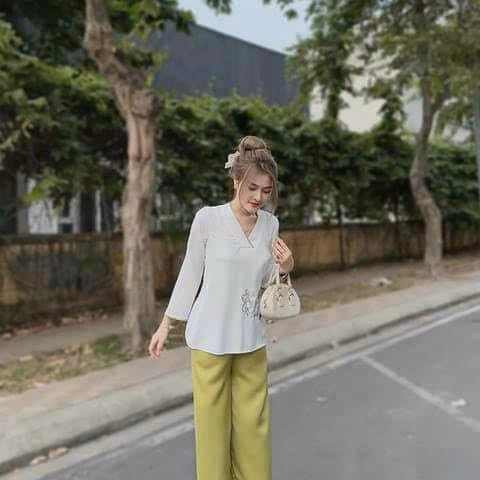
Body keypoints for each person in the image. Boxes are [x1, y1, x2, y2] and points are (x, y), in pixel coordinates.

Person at [148, 135, 294, 480]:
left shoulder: (270, 225)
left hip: (251, 339)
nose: (259, 197)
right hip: (209, 341)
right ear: (235, 180)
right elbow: (190, 273)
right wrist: (167, 324)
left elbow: (267, 281)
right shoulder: (208, 219)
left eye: (266, 190)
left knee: (253, 431)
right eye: (252, 188)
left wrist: (287, 266)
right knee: (212, 435)